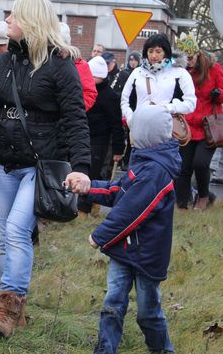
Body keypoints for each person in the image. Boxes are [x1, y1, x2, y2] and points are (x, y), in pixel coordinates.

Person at [0, 0, 91, 339]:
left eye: (13, 16)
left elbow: (76, 119)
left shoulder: (60, 66)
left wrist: (81, 167)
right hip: (4, 162)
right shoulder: (4, 62)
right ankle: (17, 309)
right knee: (6, 236)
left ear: (31, 21)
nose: (7, 20)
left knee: (18, 230)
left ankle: (7, 308)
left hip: (40, 164)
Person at [83, 104, 179, 354]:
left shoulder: (156, 171)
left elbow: (131, 212)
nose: (129, 134)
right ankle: (105, 349)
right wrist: (88, 187)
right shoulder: (144, 159)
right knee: (112, 303)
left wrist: (99, 236)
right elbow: (120, 191)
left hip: (146, 254)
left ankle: (162, 349)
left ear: (144, 134)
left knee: (148, 312)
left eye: (132, 130)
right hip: (124, 249)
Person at [174, 34, 223, 210]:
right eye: (184, 58)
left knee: (200, 163)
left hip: (208, 126)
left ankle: (204, 196)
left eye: (190, 57)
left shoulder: (213, 69)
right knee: (183, 167)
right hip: (187, 127)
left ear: (197, 54)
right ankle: (182, 203)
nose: (188, 61)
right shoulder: (180, 72)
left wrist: (218, 94)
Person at [76, 56, 124, 217]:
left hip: (100, 141)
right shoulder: (82, 91)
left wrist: (118, 149)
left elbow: (116, 124)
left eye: (91, 77)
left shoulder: (109, 97)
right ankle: (87, 205)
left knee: (92, 174)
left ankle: (85, 209)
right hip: (82, 136)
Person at [121, 33, 196, 127]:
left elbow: (190, 103)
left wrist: (167, 108)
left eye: (158, 51)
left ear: (166, 52)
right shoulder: (137, 72)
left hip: (168, 130)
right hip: (140, 128)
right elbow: (125, 99)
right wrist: (131, 118)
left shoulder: (179, 73)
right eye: (150, 51)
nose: (153, 56)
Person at [58, 22, 98, 111]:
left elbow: (90, 93)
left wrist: (74, 109)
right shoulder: (43, 61)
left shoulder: (80, 65)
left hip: (69, 117)